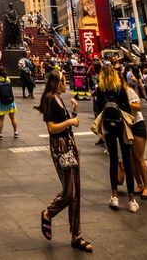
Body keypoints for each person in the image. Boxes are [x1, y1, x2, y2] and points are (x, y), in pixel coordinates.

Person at [38, 71, 91, 252]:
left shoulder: (59, 99)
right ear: (57, 82)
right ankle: (48, 212)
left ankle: (76, 234)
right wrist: (70, 121)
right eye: (64, 80)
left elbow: (68, 122)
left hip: (70, 146)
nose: (66, 82)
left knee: (76, 192)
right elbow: (52, 128)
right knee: (69, 192)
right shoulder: (50, 100)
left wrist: (73, 111)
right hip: (60, 148)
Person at [93, 61, 137, 212]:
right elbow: (127, 107)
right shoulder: (120, 88)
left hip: (108, 125)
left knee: (113, 160)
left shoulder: (100, 89)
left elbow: (99, 109)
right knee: (127, 161)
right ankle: (131, 200)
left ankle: (114, 197)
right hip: (122, 125)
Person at [0, 67, 18, 140]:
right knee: (13, 117)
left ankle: (0, 134)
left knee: (1, 119)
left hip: (1, 101)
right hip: (10, 101)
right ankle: (16, 132)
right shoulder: (8, 79)